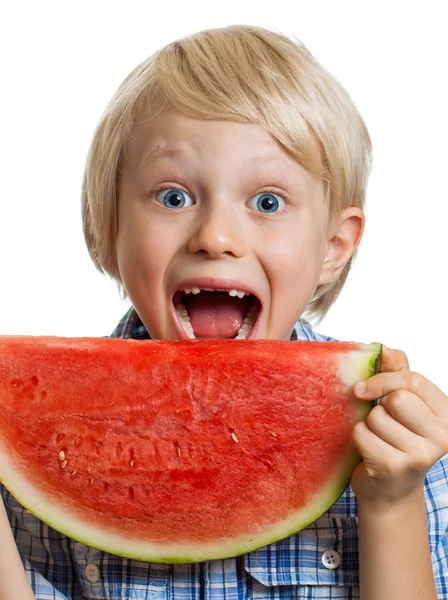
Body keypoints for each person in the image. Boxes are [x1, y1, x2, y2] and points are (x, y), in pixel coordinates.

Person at [1, 24, 447, 600]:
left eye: (267, 202)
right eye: (174, 197)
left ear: (335, 246)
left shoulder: (404, 448)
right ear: (109, 226)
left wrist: (393, 504)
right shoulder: (33, 432)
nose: (215, 236)